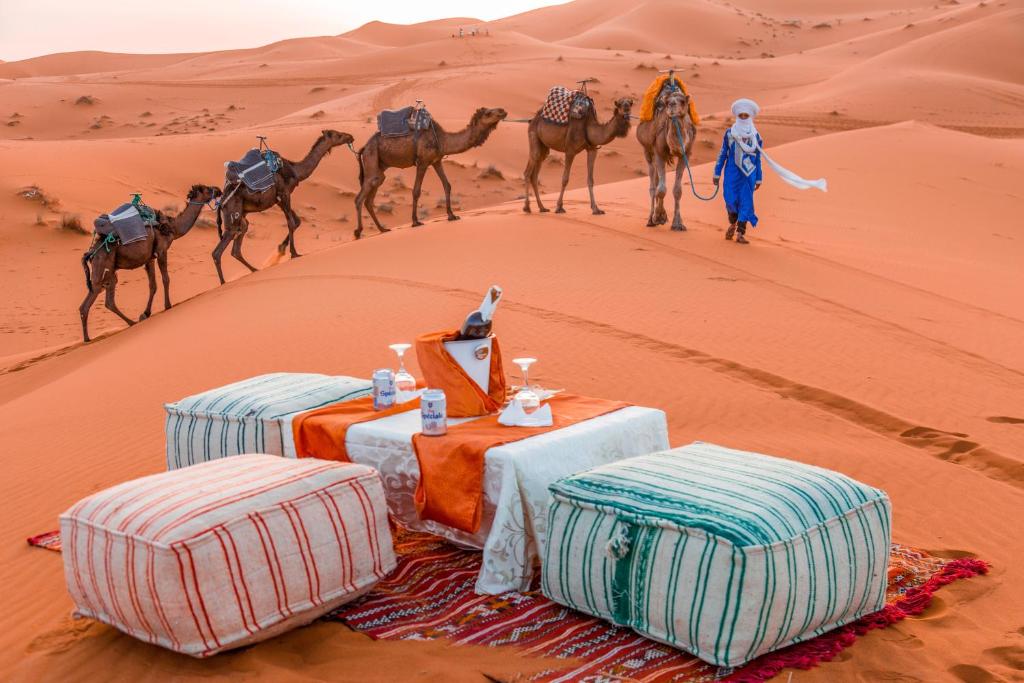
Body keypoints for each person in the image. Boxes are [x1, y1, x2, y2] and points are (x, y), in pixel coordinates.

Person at [713, 99, 762, 244]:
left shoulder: (755, 136)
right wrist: (717, 172)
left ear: (750, 116)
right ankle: (733, 223)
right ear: (737, 116)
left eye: (746, 115)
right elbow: (722, 154)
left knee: (746, 202)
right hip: (731, 173)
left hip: (749, 175)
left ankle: (740, 232)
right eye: (741, 115)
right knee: (730, 199)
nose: (743, 118)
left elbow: (758, 158)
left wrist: (759, 178)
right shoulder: (730, 134)